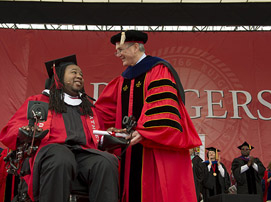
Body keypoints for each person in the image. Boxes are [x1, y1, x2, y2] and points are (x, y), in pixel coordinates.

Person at [95, 30, 202, 202]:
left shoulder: (158, 70)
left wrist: (145, 130)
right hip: (130, 150)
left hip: (153, 148)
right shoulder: (122, 81)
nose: (118, 54)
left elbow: (162, 106)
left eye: (121, 50)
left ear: (136, 47)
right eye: (117, 51)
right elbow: (104, 112)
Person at [0, 55, 119, 202]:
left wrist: (112, 136)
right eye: (74, 72)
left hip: (82, 153)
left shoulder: (88, 109)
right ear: (59, 77)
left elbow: (98, 137)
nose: (79, 76)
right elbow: (12, 128)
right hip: (49, 152)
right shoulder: (39, 101)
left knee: (106, 162)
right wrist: (25, 131)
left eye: (81, 74)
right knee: (61, 155)